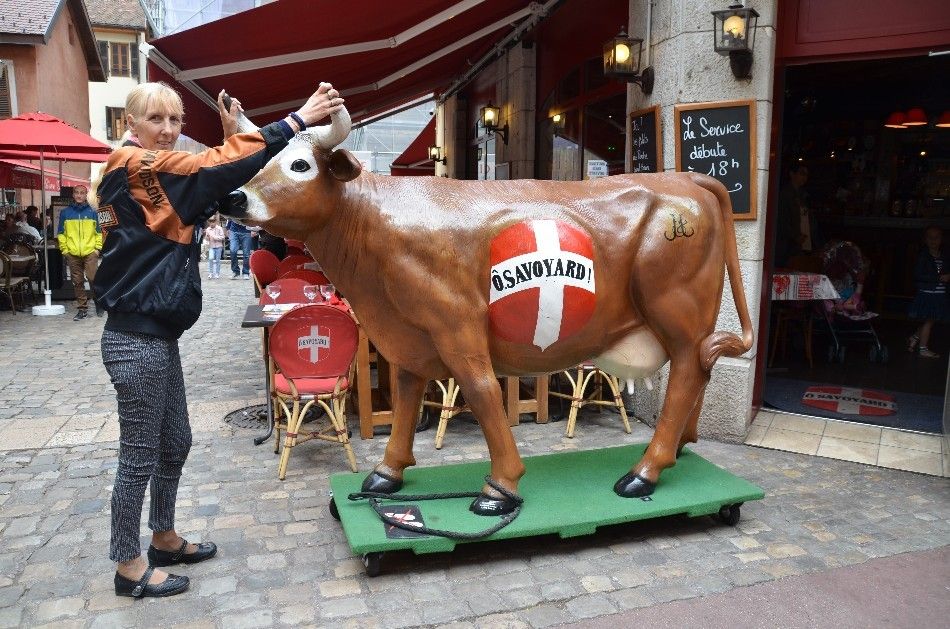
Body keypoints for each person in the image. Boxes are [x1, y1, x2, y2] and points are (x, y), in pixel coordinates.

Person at [93, 80, 344, 599]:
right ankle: (128, 564)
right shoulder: (137, 165)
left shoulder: (156, 179)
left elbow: (215, 182)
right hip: (135, 339)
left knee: (176, 441)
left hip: (156, 337)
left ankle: (163, 537)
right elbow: (212, 169)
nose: (166, 130)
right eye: (155, 120)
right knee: (139, 454)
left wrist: (240, 145)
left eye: (175, 121)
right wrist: (299, 118)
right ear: (131, 126)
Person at [57, 185, 103, 320]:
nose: (79, 195)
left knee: (93, 278)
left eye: (82, 193)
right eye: (76, 192)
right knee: (77, 282)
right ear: (73, 194)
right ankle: (82, 308)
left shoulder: (93, 212)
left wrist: (97, 249)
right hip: (72, 253)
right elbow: (61, 233)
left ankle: (98, 300)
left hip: (90, 252)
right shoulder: (65, 212)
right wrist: (65, 250)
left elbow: (99, 233)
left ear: (86, 195)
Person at [907, 226, 950, 359]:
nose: (933, 240)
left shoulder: (943, 256)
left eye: (936, 237)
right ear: (925, 240)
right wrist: (938, 278)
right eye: (930, 237)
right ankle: (923, 348)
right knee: (930, 320)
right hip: (928, 293)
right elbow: (918, 275)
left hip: (939, 294)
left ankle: (914, 338)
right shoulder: (924, 256)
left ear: (941, 239)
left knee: (931, 320)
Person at [776, 162, 815, 267]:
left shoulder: (803, 195)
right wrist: (795, 236)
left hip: (800, 242)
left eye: (806, 174)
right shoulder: (785, 194)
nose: (804, 177)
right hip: (786, 244)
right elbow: (781, 219)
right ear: (792, 174)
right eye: (801, 173)